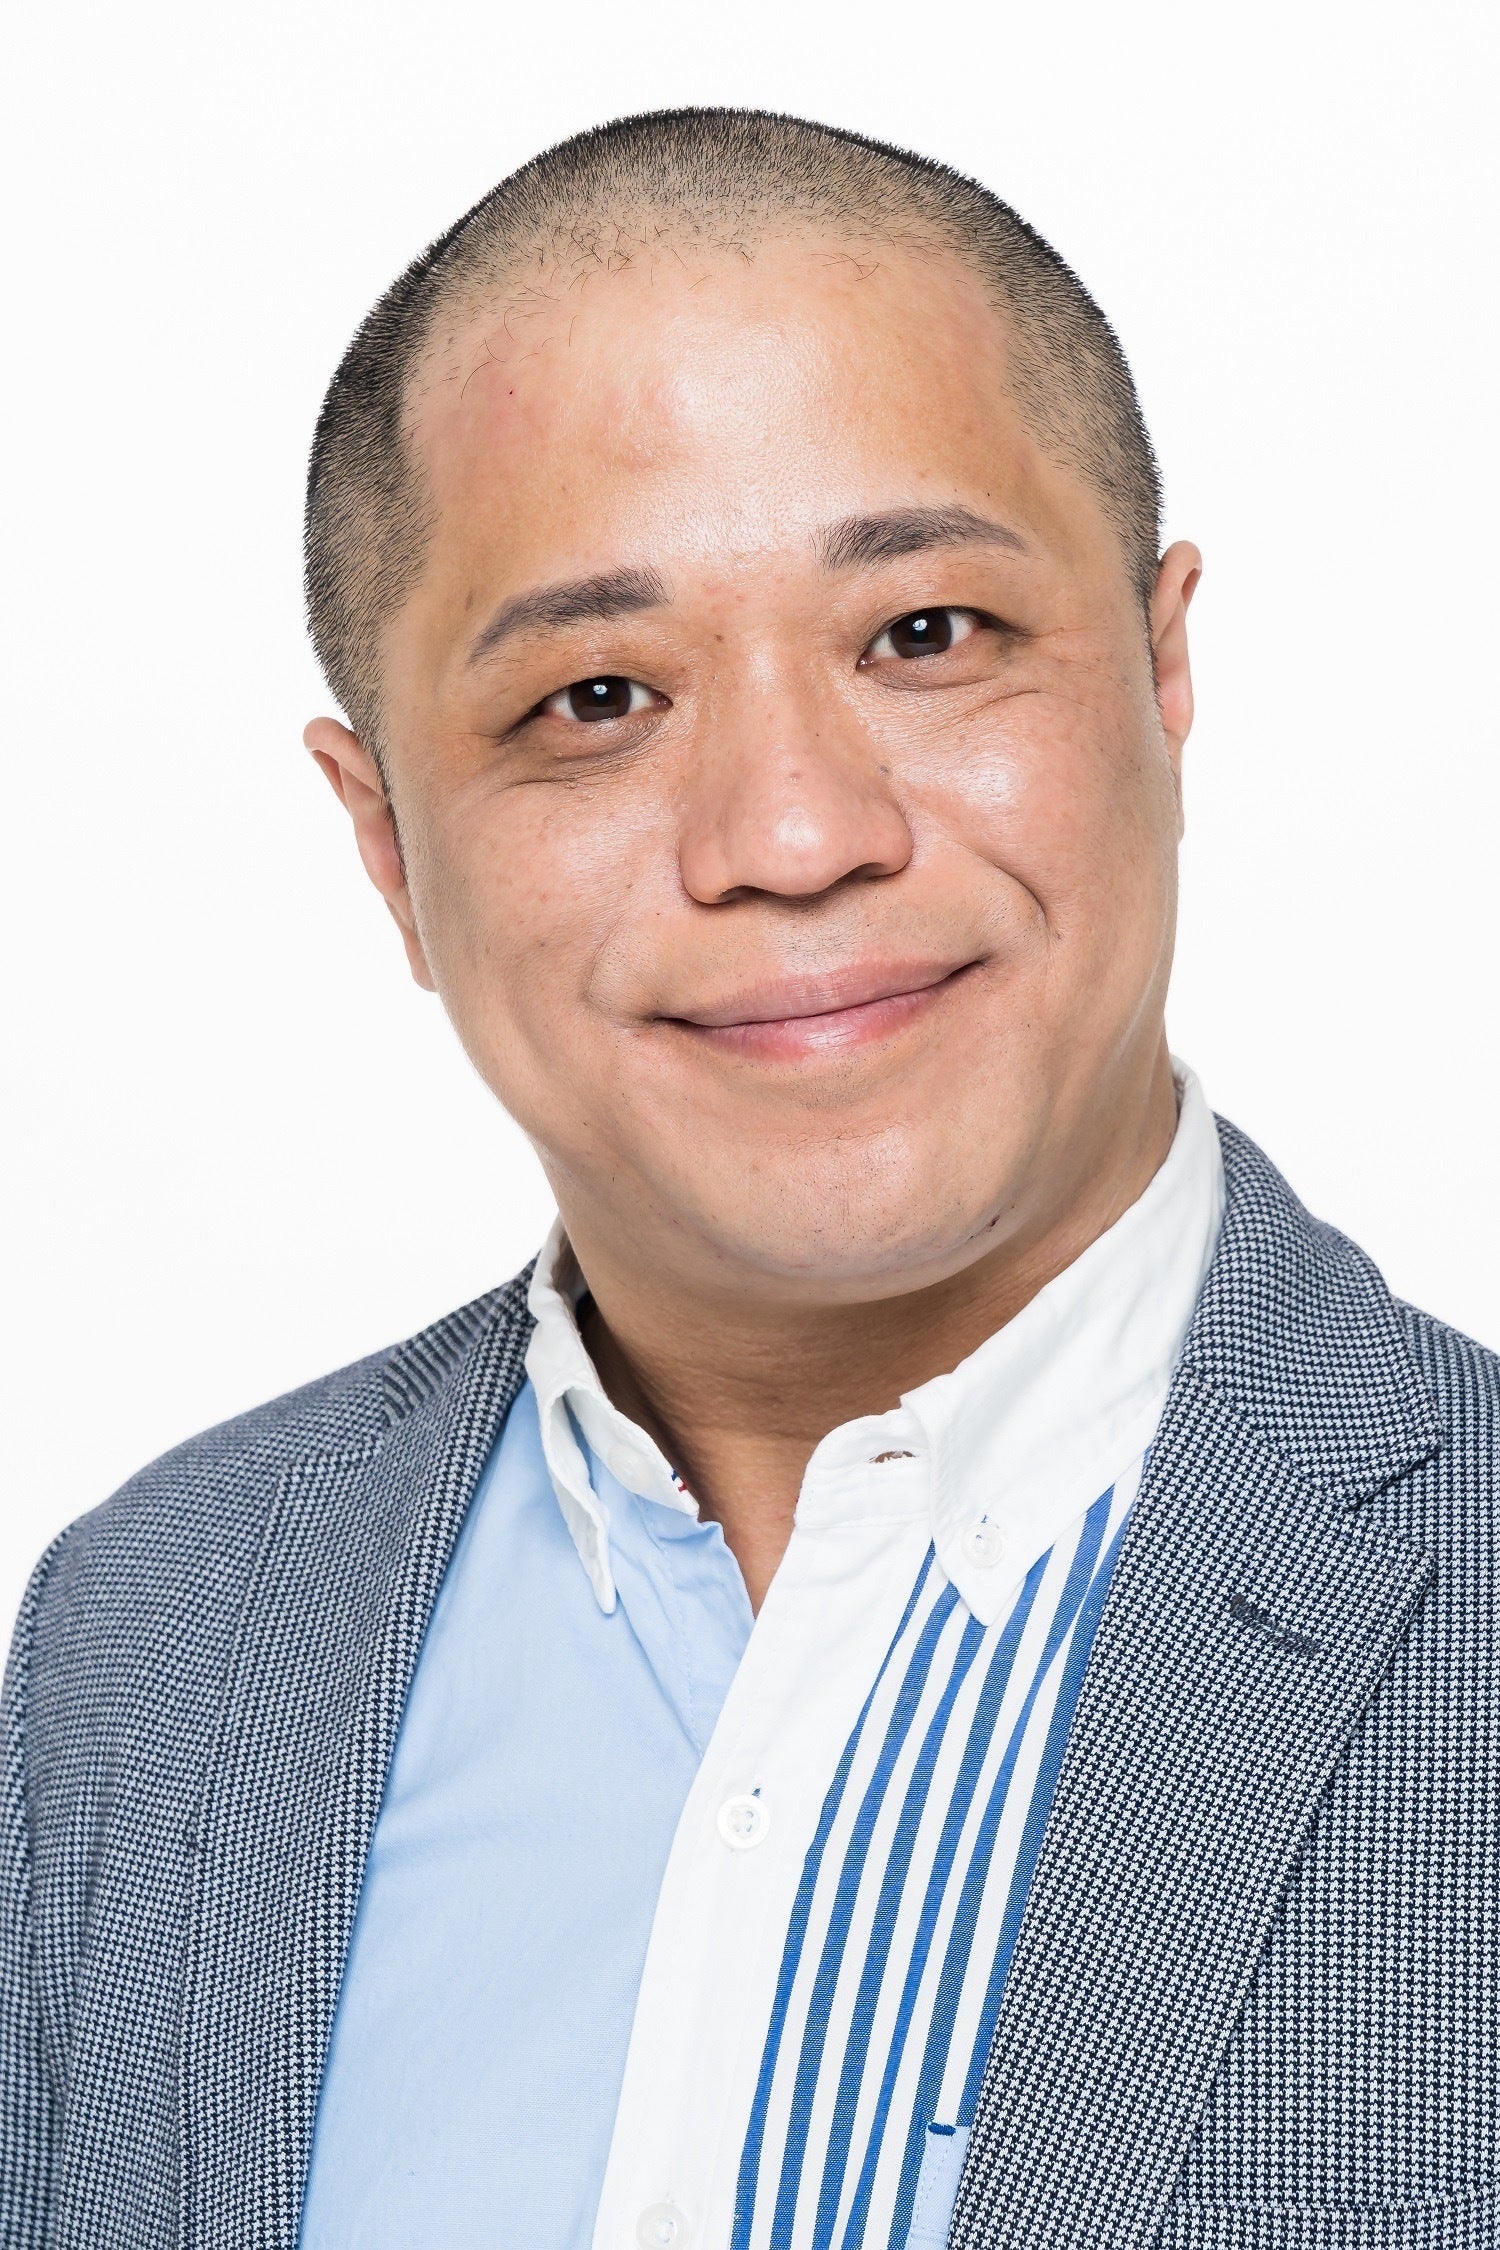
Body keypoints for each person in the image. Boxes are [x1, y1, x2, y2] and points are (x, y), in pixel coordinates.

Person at [3, 107, 1494, 2250]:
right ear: (386, 841)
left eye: (928, 633)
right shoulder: (143, 1647)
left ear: (1166, 670)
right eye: (597, 696)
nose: (793, 834)